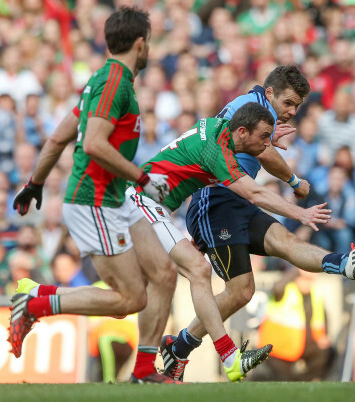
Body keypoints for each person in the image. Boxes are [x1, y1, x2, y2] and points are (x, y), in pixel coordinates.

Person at [158, 68, 355, 381]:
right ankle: (182, 348)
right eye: (289, 102)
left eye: (297, 106)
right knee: (240, 291)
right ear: (269, 93)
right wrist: (296, 185)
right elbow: (263, 157)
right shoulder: (254, 111)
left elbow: (262, 153)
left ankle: (344, 263)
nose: (292, 112)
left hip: (236, 201)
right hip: (214, 202)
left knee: (283, 247)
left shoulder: (254, 106)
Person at [8, 7, 182, 384]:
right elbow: (93, 143)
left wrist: (35, 183)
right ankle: (36, 302)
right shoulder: (114, 82)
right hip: (95, 200)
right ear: (141, 43)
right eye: (149, 41)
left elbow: (59, 137)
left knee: (165, 274)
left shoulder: (102, 81)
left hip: (115, 196)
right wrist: (143, 178)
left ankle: (143, 370)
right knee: (131, 298)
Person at [130, 103, 333, 382]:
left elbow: (242, 145)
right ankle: (226, 357)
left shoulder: (217, 130)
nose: (266, 145)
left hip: (155, 208)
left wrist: (264, 138)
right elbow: (255, 194)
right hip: (143, 203)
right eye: (262, 137)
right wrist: (300, 212)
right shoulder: (218, 152)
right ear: (241, 131)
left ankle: (172, 355)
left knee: (144, 292)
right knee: (194, 272)